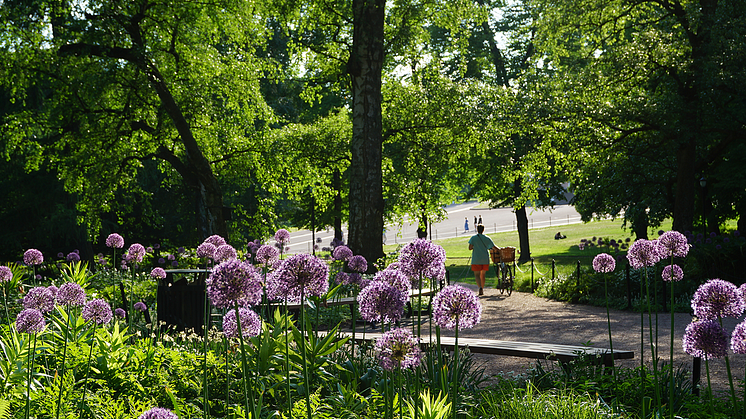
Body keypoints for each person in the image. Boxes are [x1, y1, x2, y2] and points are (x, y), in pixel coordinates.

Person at [468, 224, 497, 296]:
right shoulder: (487, 238)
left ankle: (480, 287)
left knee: (477, 275)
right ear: (483, 230)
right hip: (485, 259)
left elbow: (470, 248)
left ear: (477, 229)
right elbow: (493, 246)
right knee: (483, 275)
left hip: (476, 259)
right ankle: (482, 288)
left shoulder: (473, 238)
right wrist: (500, 250)